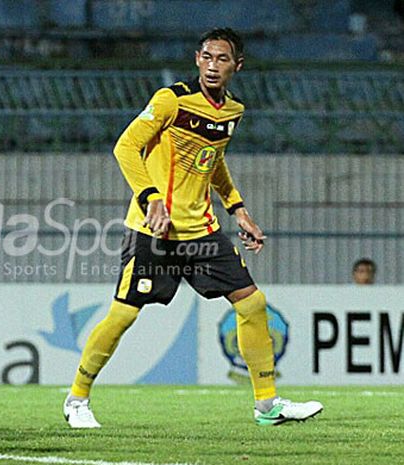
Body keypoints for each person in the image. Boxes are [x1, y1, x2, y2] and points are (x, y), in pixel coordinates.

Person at [62, 28, 323, 429]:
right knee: (123, 314)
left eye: (222, 59)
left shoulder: (232, 111)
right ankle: (77, 399)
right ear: (196, 59)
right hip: (154, 230)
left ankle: (267, 405)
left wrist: (238, 209)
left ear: (237, 65)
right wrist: (150, 197)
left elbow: (213, 162)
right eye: (206, 57)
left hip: (201, 231)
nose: (213, 66)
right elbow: (125, 146)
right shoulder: (172, 100)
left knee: (252, 303)